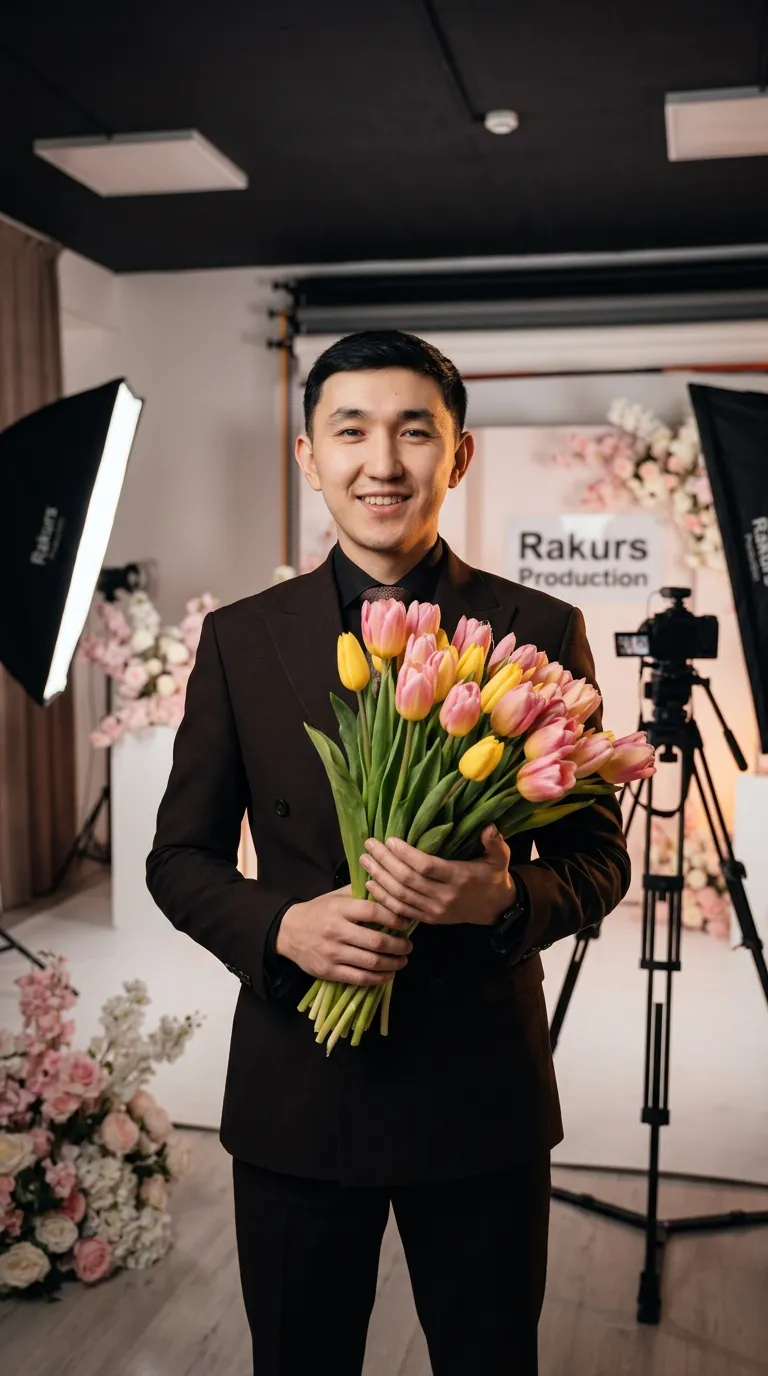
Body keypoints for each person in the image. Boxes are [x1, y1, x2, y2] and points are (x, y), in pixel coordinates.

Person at [146, 329, 631, 1376]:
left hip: (480, 1093)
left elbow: (599, 860)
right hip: (296, 1091)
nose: (383, 461)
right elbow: (178, 857)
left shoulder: (540, 628)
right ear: (307, 456)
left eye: (416, 431)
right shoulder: (242, 638)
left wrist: (501, 896)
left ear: (457, 456)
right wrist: (282, 923)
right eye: (351, 430)